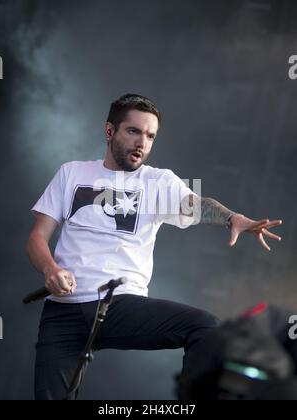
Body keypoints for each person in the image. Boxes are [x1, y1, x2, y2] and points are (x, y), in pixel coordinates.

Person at [26, 93, 282, 400]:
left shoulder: (159, 182)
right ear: (110, 131)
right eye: (133, 131)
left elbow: (198, 204)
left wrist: (232, 218)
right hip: (63, 312)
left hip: (120, 304)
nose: (142, 143)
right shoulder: (72, 173)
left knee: (205, 327)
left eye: (150, 136)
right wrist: (51, 270)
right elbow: (36, 239)